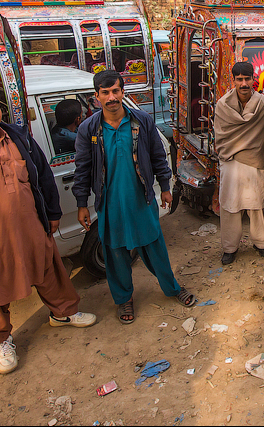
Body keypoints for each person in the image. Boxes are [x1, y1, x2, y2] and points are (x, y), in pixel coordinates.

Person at [0, 86, 96, 375]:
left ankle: (64, 314)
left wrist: (52, 213)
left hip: (32, 225)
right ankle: (2, 340)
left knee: (50, 269)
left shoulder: (20, 138)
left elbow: (43, 175)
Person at [73, 70, 197, 325]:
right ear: (96, 97)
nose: (111, 97)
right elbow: (83, 168)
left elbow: (157, 155)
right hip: (109, 203)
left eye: (115, 91)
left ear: (122, 92)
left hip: (141, 198)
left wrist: (165, 186)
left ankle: (172, 288)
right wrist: (81, 203)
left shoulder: (141, 121)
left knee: (155, 247)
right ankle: (123, 299)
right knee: (115, 252)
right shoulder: (89, 129)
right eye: (105, 93)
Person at [213, 61, 264, 265]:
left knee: (257, 204)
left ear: (253, 80)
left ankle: (261, 242)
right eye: (239, 79)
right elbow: (220, 136)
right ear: (234, 81)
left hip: (256, 160)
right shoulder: (223, 105)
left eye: (247, 79)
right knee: (230, 205)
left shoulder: (263, 104)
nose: (244, 83)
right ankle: (230, 247)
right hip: (231, 160)